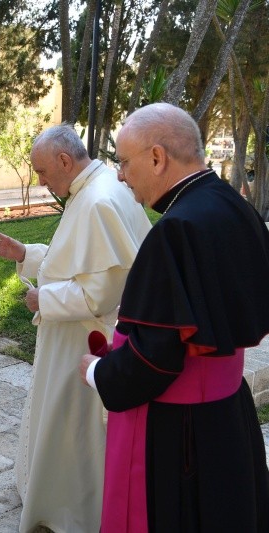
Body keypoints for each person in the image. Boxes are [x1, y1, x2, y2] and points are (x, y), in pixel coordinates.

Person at [80, 102, 269, 532]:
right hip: (230, 415)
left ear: (157, 157)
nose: (121, 175)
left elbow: (155, 360)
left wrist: (97, 372)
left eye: (124, 162)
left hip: (182, 435)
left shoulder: (175, 230)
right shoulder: (235, 205)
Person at [0, 124, 152, 533]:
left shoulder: (97, 200)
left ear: (63, 160)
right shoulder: (98, 186)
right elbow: (75, 260)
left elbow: (101, 293)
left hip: (82, 340)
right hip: (74, 336)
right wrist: (26, 253)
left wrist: (45, 299)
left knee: (72, 428)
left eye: (42, 171)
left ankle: (69, 511)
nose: (41, 182)